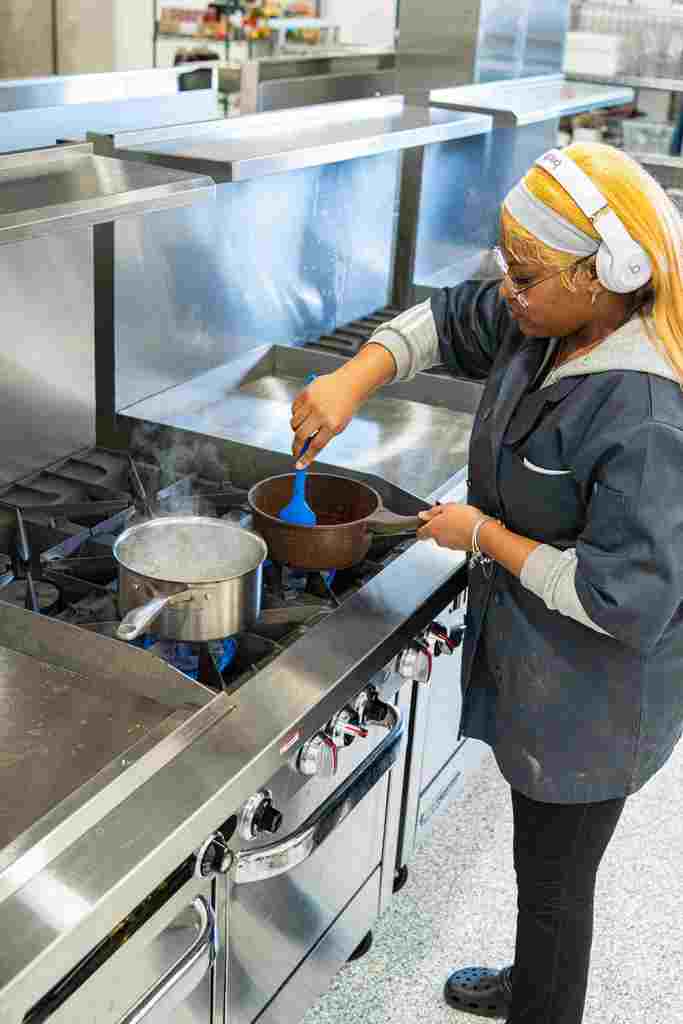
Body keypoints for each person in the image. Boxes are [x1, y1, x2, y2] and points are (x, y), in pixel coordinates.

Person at [289, 143, 683, 1024]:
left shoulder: (647, 415)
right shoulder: (545, 318)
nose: (507, 289)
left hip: (598, 697)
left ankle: (542, 1001)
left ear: (605, 276)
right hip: (547, 669)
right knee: (539, 866)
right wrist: (352, 378)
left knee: (555, 885)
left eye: (526, 275)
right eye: (507, 267)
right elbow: (447, 318)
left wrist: (483, 536)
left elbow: (626, 600)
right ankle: (532, 978)